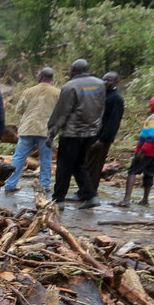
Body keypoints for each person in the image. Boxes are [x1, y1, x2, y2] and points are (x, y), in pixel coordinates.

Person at [47, 59, 106, 208]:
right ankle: (91, 196)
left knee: (64, 166)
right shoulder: (100, 84)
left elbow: (62, 112)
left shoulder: (70, 86)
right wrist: (97, 128)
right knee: (79, 165)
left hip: (72, 133)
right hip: (90, 132)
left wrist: (52, 133)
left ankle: (58, 199)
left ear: (74, 71)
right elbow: (101, 107)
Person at [4, 68, 60, 193]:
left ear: (40, 76)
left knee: (19, 158)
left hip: (27, 129)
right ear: (52, 77)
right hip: (46, 131)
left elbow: (19, 109)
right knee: (46, 159)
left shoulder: (29, 91)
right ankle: (44, 186)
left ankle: (10, 184)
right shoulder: (57, 93)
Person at [119, 93, 154, 208]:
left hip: (147, 149)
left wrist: (143, 151)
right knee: (149, 173)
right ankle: (145, 200)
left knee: (132, 171)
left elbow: (153, 136)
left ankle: (126, 200)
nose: (151, 104)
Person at [86, 72, 126, 197]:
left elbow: (113, 122)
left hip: (102, 139)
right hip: (93, 135)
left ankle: (89, 193)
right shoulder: (102, 94)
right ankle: (85, 191)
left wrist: (102, 140)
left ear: (116, 82)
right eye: (104, 79)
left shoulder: (116, 98)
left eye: (109, 80)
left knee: (95, 167)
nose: (106, 82)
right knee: (88, 164)